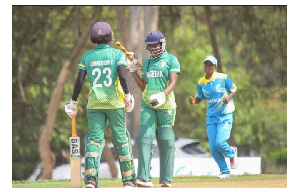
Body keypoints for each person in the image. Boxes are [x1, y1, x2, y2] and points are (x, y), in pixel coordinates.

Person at [64, 21, 137, 188]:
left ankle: (90, 179)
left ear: (93, 38)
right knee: (121, 140)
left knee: (94, 141)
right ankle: (127, 180)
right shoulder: (117, 54)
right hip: (114, 103)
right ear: (110, 37)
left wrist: (73, 102)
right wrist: (128, 96)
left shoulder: (87, 56)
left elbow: (80, 80)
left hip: (95, 104)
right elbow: (123, 76)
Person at [126, 30, 180, 187]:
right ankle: (144, 177)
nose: (153, 48)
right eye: (150, 46)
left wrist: (163, 94)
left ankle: (166, 178)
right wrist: (133, 71)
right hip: (148, 104)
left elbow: (173, 82)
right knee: (143, 136)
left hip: (166, 104)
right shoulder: (148, 62)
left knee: (166, 138)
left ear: (162, 44)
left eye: (155, 45)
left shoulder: (171, 60)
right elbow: (144, 86)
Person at [188, 55, 238, 178]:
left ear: (215, 66)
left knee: (220, 143)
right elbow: (200, 97)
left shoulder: (223, 77)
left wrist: (228, 98)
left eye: (211, 65)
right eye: (206, 64)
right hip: (211, 117)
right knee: (213, 149)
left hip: (225, 115)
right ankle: (225, 172)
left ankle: (232, 152)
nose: (208, 67)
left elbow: (234, 89)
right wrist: (195, 101)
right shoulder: (201, 82)